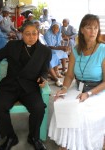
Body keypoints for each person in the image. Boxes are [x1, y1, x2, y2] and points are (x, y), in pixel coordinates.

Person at [0, 21, 51, 150]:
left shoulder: (45, 51)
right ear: (21, 34)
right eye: (27, 34)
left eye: (34, 34)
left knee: (39, 108)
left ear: (38, 34)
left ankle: (33, 137)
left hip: (30, 87)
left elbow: (44, 70)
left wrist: (43, 78)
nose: (31, 37)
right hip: (11, 85)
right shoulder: (12, 45)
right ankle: (11, 136)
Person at [48, 14, 105, 150]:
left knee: (81, 110)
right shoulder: (75, 50)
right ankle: (67, 142)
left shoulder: (103, 50)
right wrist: (65, 88)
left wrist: (89, 93)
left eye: (96, 28)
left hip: (97, 90)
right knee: (61, 103)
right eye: (89, 27)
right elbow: (69, 75)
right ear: (82, 30)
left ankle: (81, 144)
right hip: (78, 87)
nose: (93, 31)